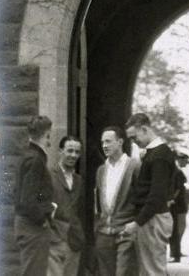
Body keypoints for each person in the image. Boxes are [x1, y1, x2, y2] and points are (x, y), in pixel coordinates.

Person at [124, 113, 176, 275]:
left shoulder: (159, 155)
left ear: (144, 129)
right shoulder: (155, 153)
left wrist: (137, 222)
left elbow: (157, 195)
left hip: (153, 220)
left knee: (152, 271)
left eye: (134, 137)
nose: (134, 142)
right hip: (153, 219)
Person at [94, 126, 140, 276]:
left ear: (120, 142)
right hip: (103, 233)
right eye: (102, 142)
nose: (104, 146)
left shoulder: (134, 166)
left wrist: (135, 224)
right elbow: (97, 202)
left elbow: (142, 199)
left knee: (123, 273)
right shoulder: (101, 169)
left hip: (125, 232)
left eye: (108, 141)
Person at [13, 115, 56, 276]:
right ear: (46, 135)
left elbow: (33, 192)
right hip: (32, 227)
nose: (50, 141)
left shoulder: (28, 156)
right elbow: (28, 198)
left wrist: (45, 205)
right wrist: (43, 216)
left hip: (26, 224)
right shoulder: (36, 159)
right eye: (49, 135)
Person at [48, 136, 85, 276]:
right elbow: (39, 199)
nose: (73, 155)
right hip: (54, 240)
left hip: (74, 241)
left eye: (77, 152)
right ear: (60, 151)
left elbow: (80, 210)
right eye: (70, 151)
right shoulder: (48, 175)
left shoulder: (79, 180)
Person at [169, 152, 189, 263]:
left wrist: (172, 198)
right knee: (176, 229)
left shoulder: (176, 171)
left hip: (178, 204)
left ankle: (175, 253)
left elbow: (179, 187)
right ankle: (175, 253)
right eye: (184, 160)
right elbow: (178, 187)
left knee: (177, 229)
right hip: (177, 205)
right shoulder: (176, 171)